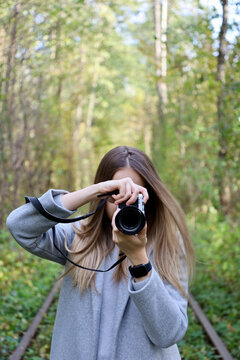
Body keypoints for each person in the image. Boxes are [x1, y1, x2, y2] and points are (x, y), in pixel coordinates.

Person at [6, 145, 195, 360]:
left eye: (136, 194)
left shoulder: (166, 244)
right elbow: (18, 225)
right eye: (117, 194)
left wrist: (139, 259)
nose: (125, 202)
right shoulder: (77, 238)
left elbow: (169, 334)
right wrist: (93, 191)